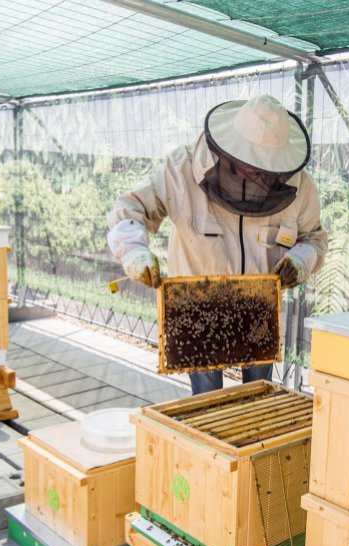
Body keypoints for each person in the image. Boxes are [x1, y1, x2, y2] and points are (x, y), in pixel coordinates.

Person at [106, 95, 327, 395]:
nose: (253, 170)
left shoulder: (300, 189)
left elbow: (314, 237)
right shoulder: (181, 169)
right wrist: (134, 252)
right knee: (207, 401)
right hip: (197, 310)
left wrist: (300, 260)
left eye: (264, 166)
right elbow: (129, 209)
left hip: (258, 311)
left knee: (257, 397)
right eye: (247, 160)